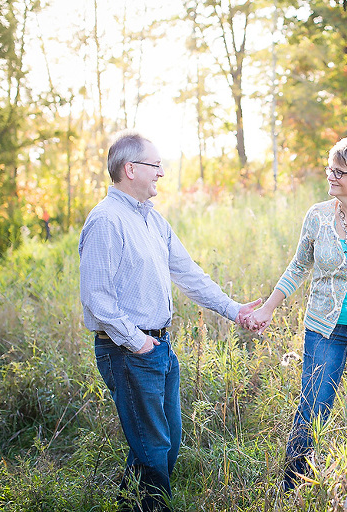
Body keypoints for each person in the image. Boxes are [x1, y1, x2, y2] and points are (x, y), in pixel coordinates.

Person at [79, 131, 260, 511]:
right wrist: (137, 341)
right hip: (127, 350)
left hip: (159, 346)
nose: (161, 172)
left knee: (166, 441)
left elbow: (189, 274)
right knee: (153, 445)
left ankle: (130, 504)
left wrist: (235, 309)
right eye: (155, 164)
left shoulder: (153, 221)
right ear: (130, 169)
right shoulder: (105, 221)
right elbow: (97, 297)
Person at [243, 133, 347, 491]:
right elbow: (297, 267)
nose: (331, 176)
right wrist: (269, 308)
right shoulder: (318, 217)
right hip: (324, 328)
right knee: (312, 409)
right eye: (329, 169)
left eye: (340, 171)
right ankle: (292, 489)